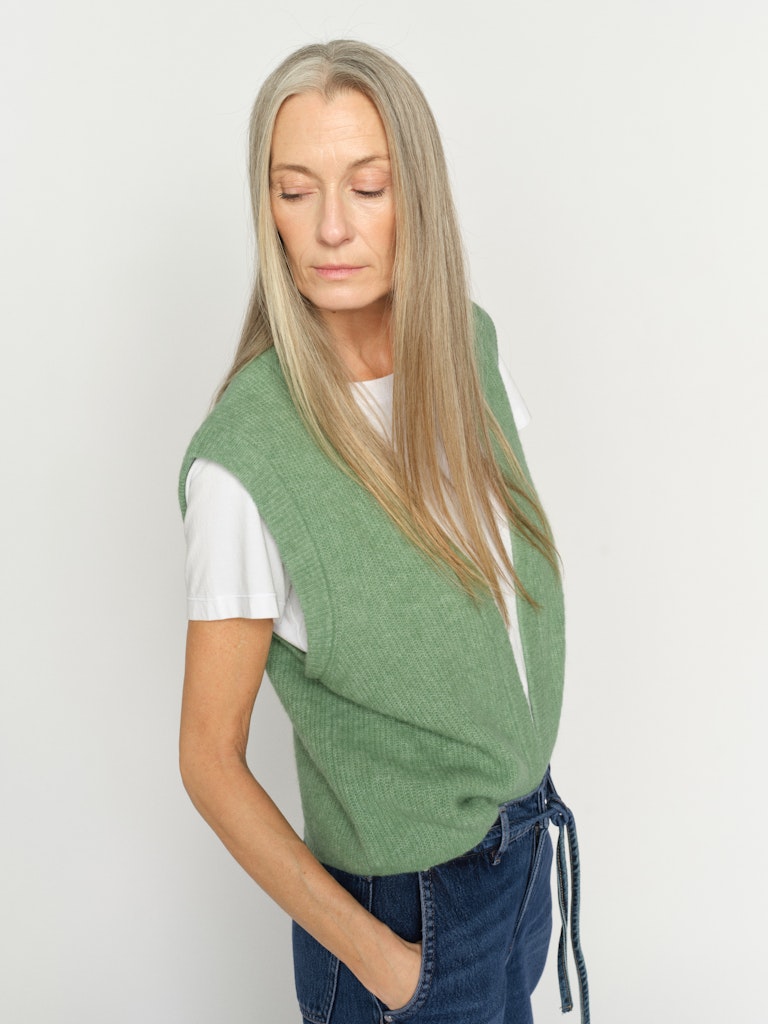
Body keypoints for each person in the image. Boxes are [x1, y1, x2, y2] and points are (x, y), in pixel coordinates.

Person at [178, 39, 589, 1024]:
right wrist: (385, 960)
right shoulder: (247, 458)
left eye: (367, 187)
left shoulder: (470, 353)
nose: (331, 227)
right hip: (405, 917)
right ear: (267, 208)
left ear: (419, 196)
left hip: (520, 863)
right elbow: (207, 758)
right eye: (294, 190)